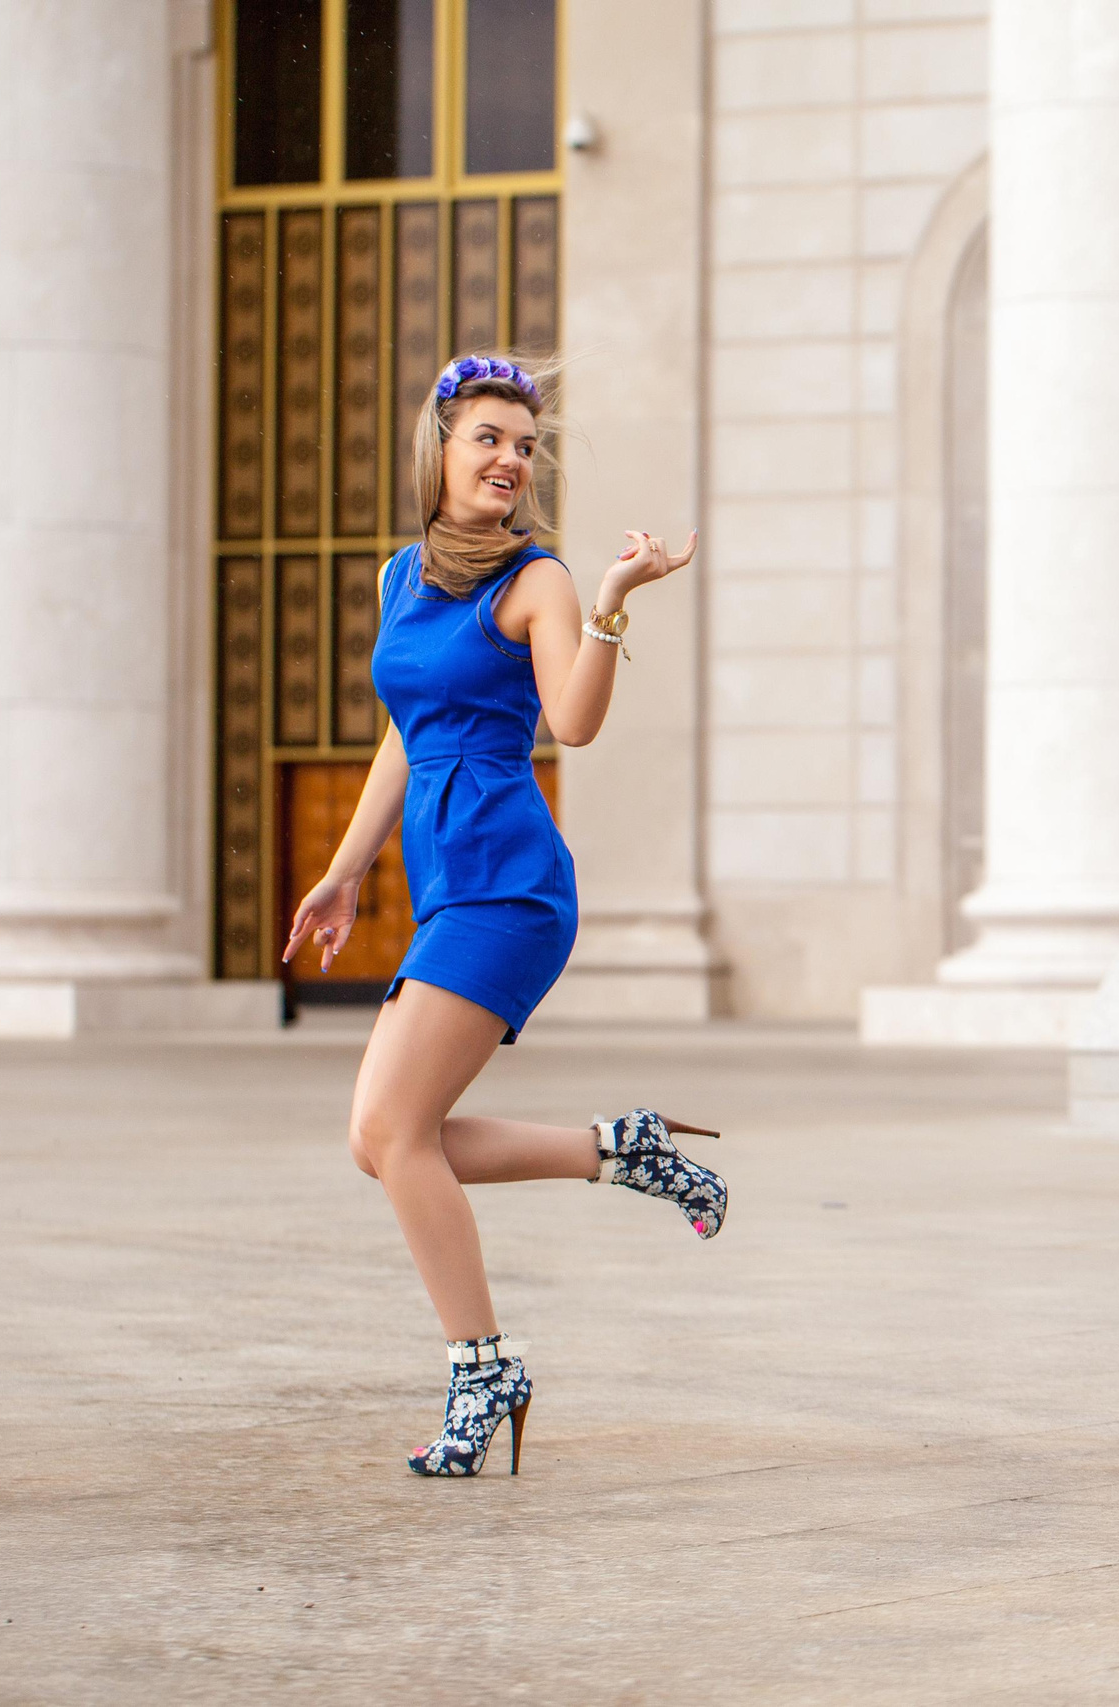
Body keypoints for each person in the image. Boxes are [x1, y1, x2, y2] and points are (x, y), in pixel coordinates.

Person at [285, 352, 728, 1478]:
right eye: (489, 438)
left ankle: (483, 1368)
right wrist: (343, 871)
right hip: (447, 881)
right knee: (378, 1141)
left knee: (394, 1131)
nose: (510, 461)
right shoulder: (400, 578)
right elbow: (406, 731)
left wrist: (612, 600)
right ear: (439, 449)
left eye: (524, 447)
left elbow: (571, 723)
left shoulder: (538, 580)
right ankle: (619, 1150)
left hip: (511, 881)